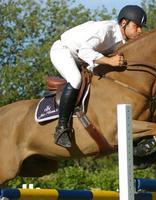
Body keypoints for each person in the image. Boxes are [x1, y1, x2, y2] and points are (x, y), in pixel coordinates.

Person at [50, 5, 147, 148]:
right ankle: (61, 128)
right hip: (64, 51)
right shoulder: (106, 30)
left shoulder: (124, 41)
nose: (140, 31)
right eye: (136, 26)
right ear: (123, 23)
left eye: (141, 27)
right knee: (76, 80)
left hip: (82, 59)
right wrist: (109, 61)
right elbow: (84, 52)